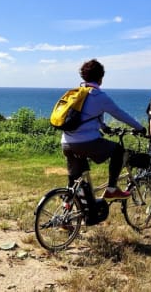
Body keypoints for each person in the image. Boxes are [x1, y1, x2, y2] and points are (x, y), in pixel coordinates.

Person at [61, 59, 146, 200]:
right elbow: (120, 114)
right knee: (118, 150)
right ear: (101, 78)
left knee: (77, 181)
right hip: (86, 142)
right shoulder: (99, 96)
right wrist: (140, 128)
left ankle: (69, 204)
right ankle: (112, 189)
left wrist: (104, 127)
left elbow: (87, 116)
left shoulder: (76, 94)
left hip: (66, 142)